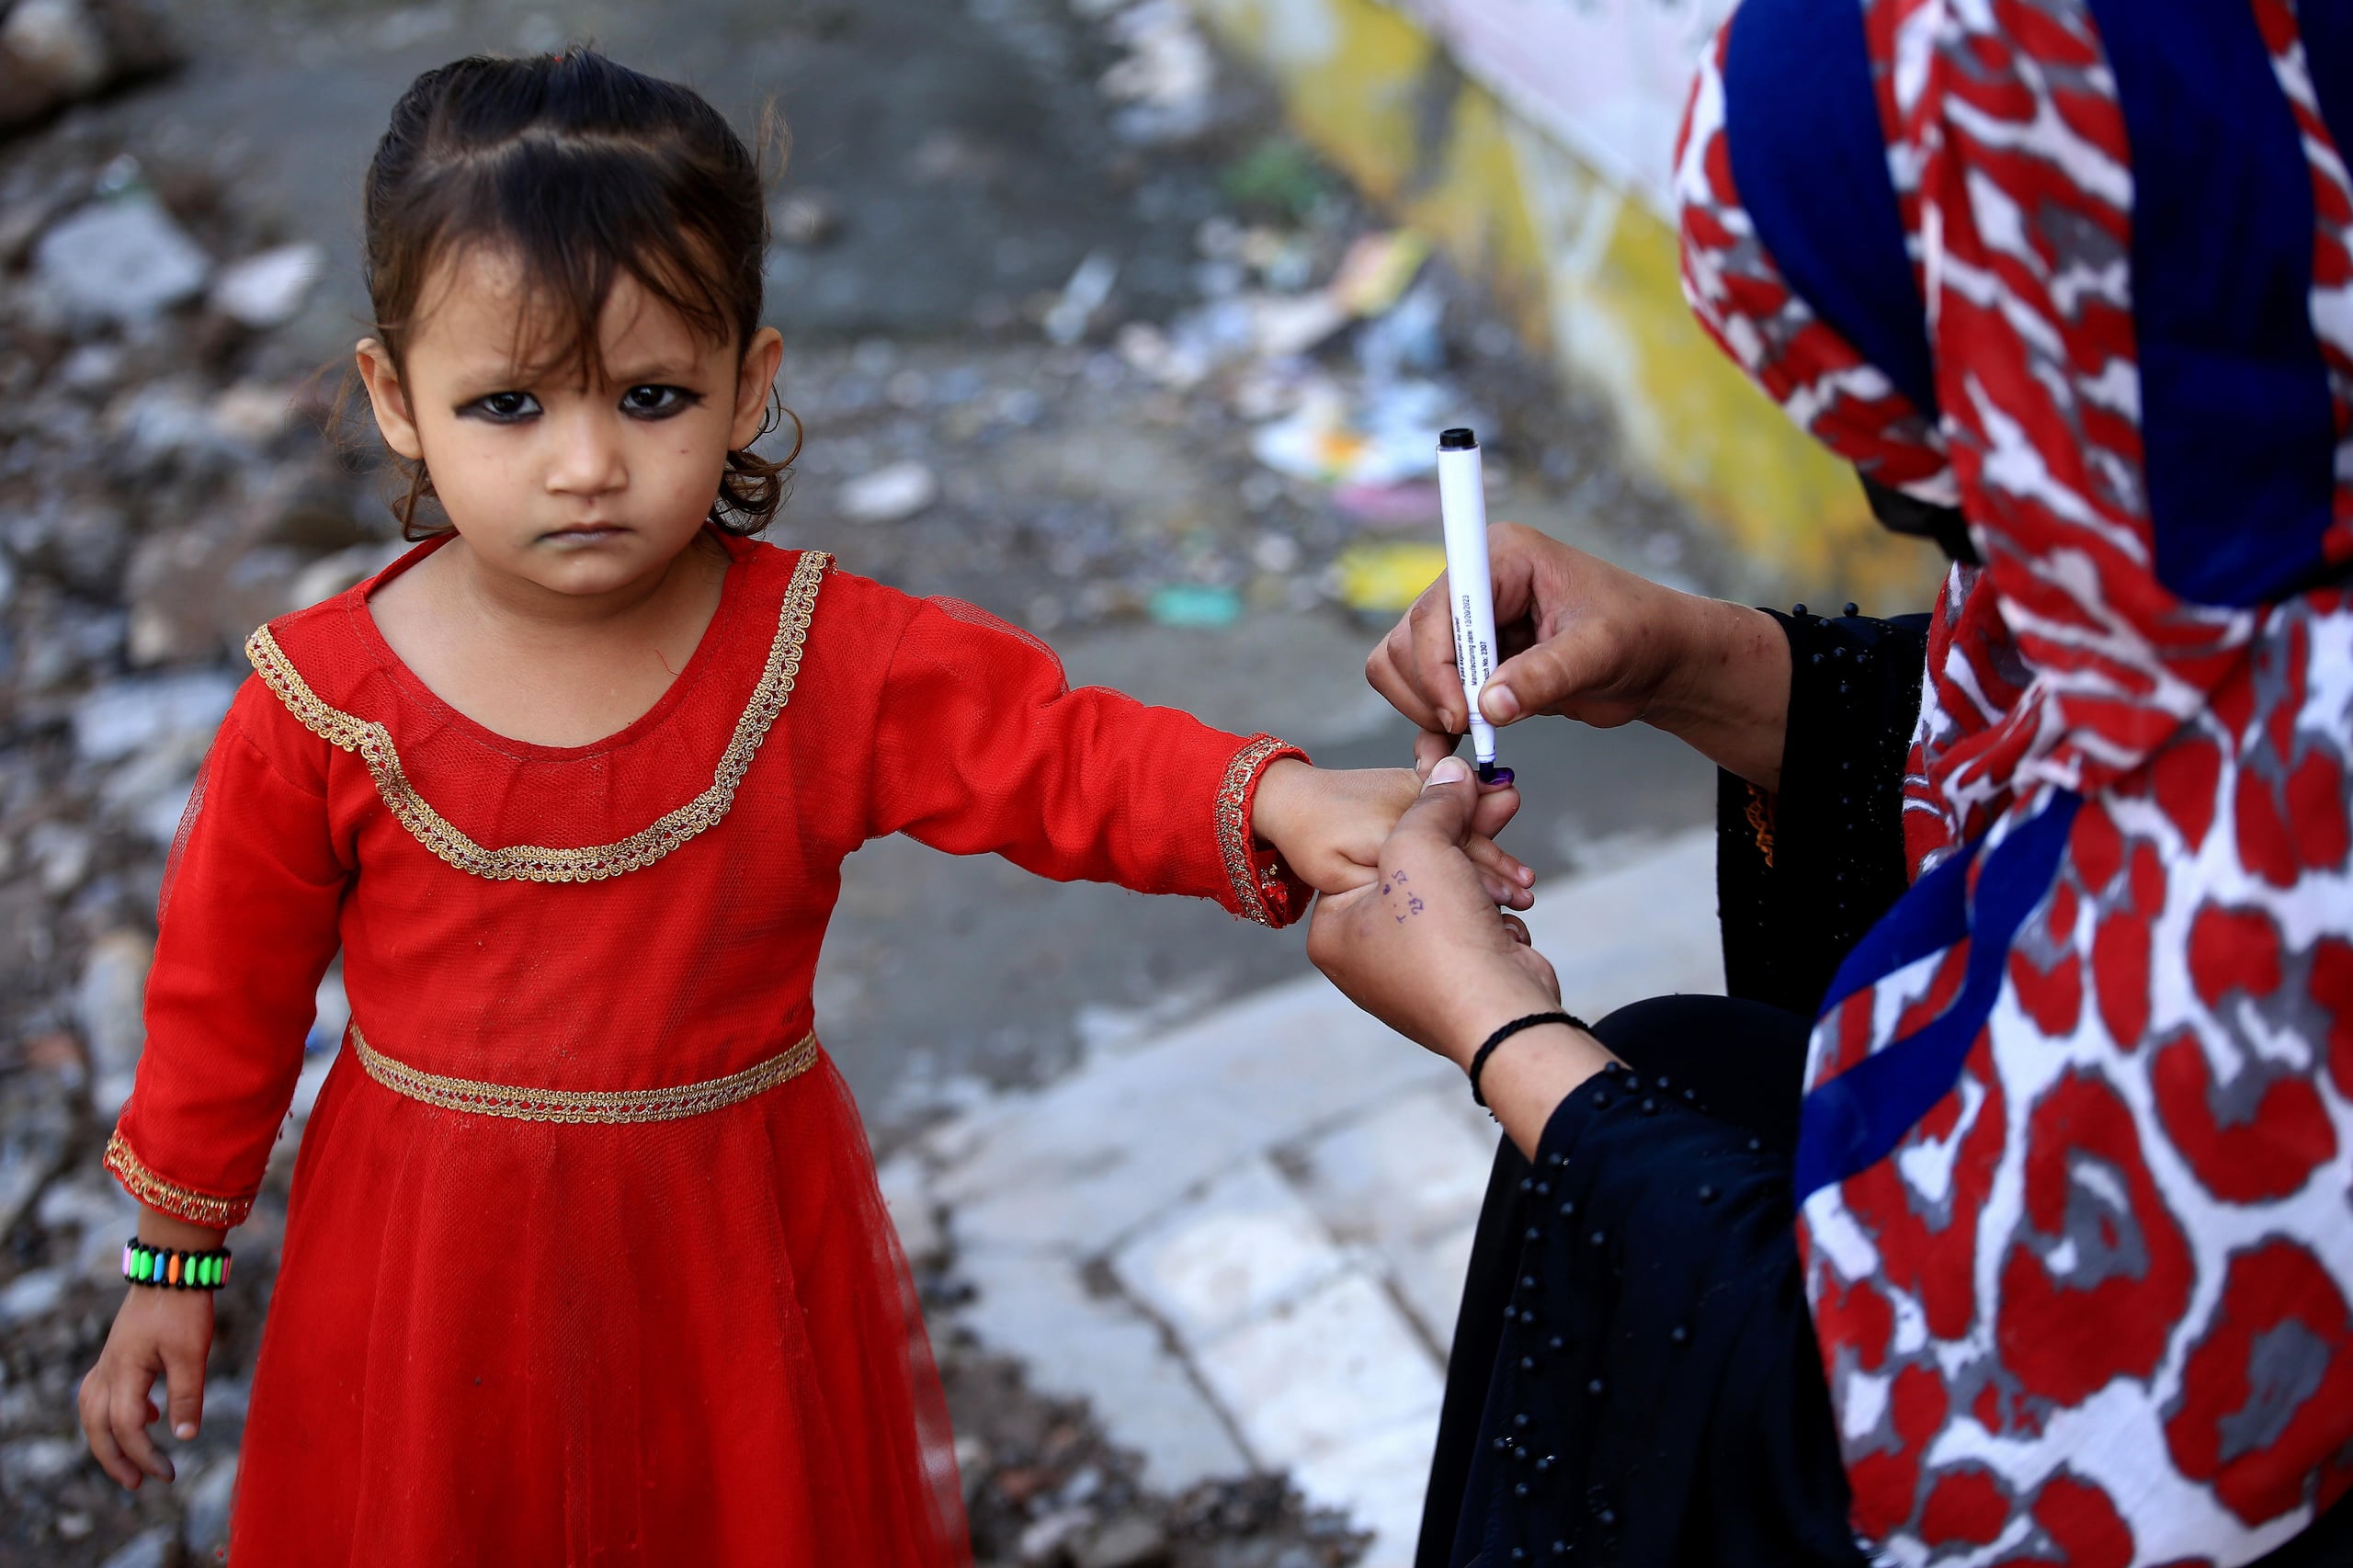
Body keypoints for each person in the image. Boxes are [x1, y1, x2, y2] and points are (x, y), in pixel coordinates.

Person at [70, 50, 1534, 1564]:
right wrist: (170, 1261)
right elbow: (222, 997)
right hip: (427, 1268)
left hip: (726, 1254)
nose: (587, 465)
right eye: (508, 403)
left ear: (749, 383)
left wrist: (1278, 796)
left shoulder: (817, 657)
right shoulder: (320, 702)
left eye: (651, 396)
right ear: (395, 399)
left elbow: (1053, 753)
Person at [1328, 2, 2353, 1565]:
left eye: (1931, 434)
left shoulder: (2290, 855)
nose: (1898, 508)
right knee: (1688, 1071)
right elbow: (2035, 728)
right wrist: (1691, 659)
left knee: (1635, 1147)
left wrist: (1502, 1032)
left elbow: (1901, 1456)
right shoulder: (2221, 491)